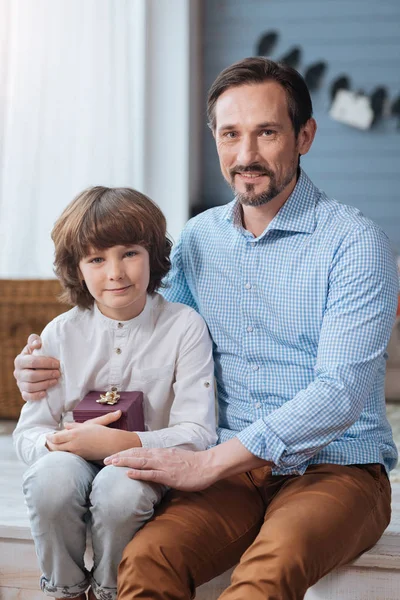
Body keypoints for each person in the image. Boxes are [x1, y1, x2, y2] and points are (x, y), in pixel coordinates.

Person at [14, 58, 399, 600]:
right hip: (227, 477)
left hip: (336, 469)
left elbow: (341, 393)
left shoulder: (355, 244)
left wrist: (209, 461)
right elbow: (148, 339)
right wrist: (40, 370)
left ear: (304, 136)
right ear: (214, 139)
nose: (246, 156)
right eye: (230, 134)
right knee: (144, 563)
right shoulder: (198, 241)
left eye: (267, 132)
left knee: (267, 572)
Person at [13, 186, 217, 600]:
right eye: (96, 259)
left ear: (154, 254)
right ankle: (66, 590)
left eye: (129, 253)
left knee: (119, 490)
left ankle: (111, 591)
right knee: (50, 480)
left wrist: (124, 443)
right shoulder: (59, 333)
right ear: (77, 269)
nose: (115, 273)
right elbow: (27, 433)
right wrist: (58, 442)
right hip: (71, 461)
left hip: (145, 465)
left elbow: (199, 431)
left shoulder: (184, 327)